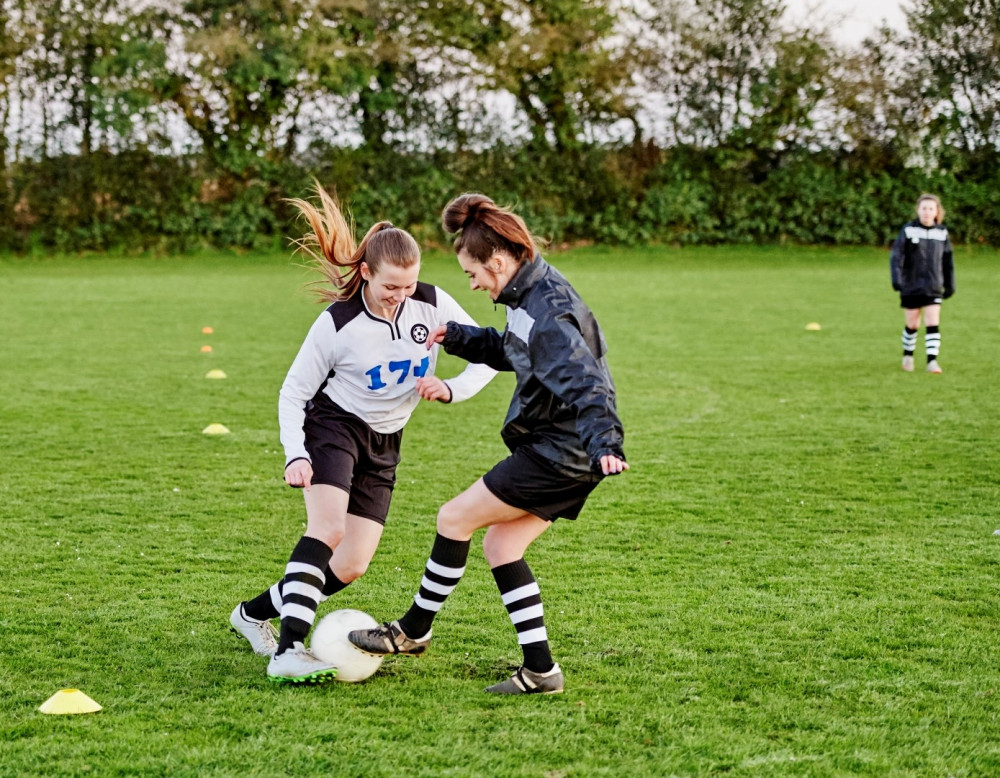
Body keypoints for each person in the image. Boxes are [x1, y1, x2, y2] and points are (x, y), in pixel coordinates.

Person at [349, 193, 628, 695]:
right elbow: (516, 351)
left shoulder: (550, 312)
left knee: (453, 518)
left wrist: (605, 439)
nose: (474, 284)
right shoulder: (531, 294)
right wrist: (459, 337)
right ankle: (541, 672)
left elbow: (588, 383)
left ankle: (412, 631)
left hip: (561, 452)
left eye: (473, 274)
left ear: (498, 261)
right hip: (564, 450)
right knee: (502, 546)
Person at [229, 184, 496, 684]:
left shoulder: (432, 303)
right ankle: (287, 650)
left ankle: (251, 613)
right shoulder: (338, 322)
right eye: (391, 286)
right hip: (334, 426)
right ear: (368, 273)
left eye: (410, 285)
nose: (401, 296)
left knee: (350, 565)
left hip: (386, 439)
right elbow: (292, 391)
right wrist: (294, 453)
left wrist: (452, 388)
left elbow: (489, 354)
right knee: (327, 532)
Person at [890, 193, 955, 374]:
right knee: (912, 324)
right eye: (924, 208)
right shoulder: (909, 230)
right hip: (911, 285)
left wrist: (950, 284)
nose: (927, 212)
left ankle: (932, 361)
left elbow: (947, 261)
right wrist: (897, 279)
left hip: (933, 286)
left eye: (930, 209)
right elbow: (896, 257)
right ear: (918, 210)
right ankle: (908, 355)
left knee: (932, 323)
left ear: (937, 212)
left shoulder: (941, 233)